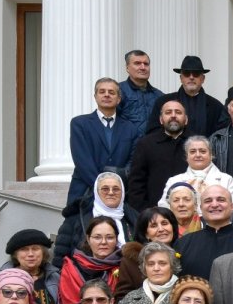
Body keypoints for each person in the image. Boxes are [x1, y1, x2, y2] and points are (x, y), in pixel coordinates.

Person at [69, 78, 137, 207]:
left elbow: (132, 161)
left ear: (118, 99)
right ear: (95, 96)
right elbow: (82, 160)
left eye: (111, 92)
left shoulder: (130, 128)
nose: (107, 95)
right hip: (85, 192)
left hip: (119, 195)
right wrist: (102, 187)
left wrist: (116, 185)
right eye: (102, 91)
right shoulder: (79, 124)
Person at [55, 171, 139, 269]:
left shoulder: (134, 218)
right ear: (96, 192)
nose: (111, 193)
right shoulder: (75, 219)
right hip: (84, 278)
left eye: (116, 189)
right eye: (105, 189)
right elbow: (60, 258)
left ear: (123, 192)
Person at [126, 98, 190, 212]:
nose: (173, 116)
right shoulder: (146, 144)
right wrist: (144, 212)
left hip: (190, 214)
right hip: (154, 214)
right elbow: (136, 183)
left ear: (186, 120)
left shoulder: (196, 144)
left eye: (178, 112)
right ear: (161, 119)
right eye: (168, 112)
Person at [174, 185, 233, 280]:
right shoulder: (183, 243)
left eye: (221, 200)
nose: (214, 205)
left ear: (232, 207)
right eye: (208, 201)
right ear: (201, 208)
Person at [58, 216, 124, 304]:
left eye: (109, 237)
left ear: (116, 239)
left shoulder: (125, 267)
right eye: (97, 237)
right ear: (88, 239)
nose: (103, 242)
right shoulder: (71, 268)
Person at [114, 207, 179, 300]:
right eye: (153, 225)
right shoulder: (131, 260)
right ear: (146, 234)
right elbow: (121, 298)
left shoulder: (184, 254)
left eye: (164, 223)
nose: (161, 229)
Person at [160, 136, 233, 210]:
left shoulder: (226, 180)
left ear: (211, 155)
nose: (198, 155)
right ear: (186, 157)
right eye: (192, 151)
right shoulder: (173, 181)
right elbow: (164, 208)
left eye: (202, 151)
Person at [116, 243, 180, 304]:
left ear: (172, 267)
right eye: (150, 264)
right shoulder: (130, 299)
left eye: (162, 263)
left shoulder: (184, 296)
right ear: (144, 269)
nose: (156, 268)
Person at [118, 50, 163, 135]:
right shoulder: (117, 91)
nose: (143, 67)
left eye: (146, 64)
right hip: (127, 146)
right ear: (127, 68)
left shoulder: (159, 95)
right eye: (137, 63)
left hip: (152, 146)